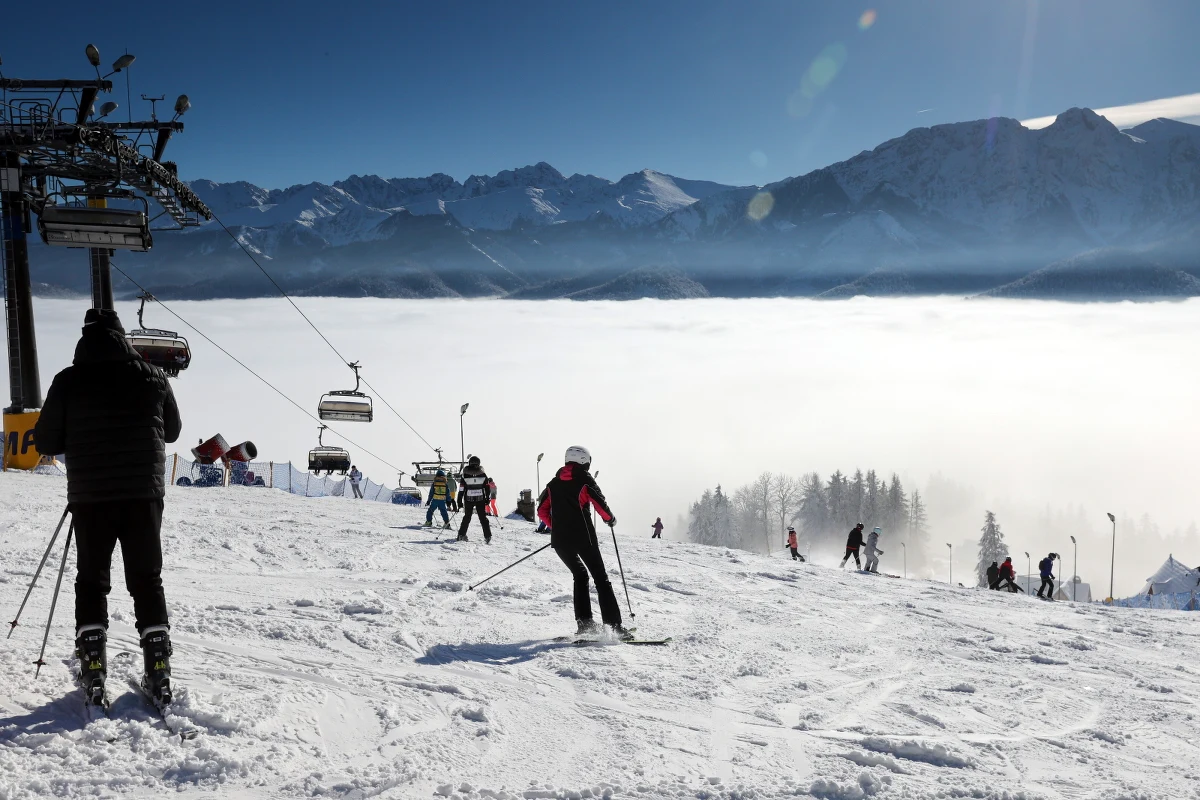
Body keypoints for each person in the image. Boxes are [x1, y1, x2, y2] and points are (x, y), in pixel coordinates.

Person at [33, 309, 182, 708]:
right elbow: (173, 431)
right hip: (144, 496)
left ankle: (94, 666)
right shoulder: (153, 376)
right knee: (147, 579)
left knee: (92, 580)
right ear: (123, 338)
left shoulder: (68, 380)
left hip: (92, 495)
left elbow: (45, 441)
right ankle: (159, 670)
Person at [537, 446, 630, 638]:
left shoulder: (552, 484)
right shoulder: (585, 481)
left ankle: (585, 624)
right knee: (600, 578)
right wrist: (610, 519)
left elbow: (541, 511)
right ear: (583, 461)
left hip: (561, 541)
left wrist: (557, 527)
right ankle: (614, 627)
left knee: (580, 575)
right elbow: (599, 503)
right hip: (583, 537)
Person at [457, 455, 492, 543]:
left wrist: (459, 501)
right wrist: (487, 498)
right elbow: (487, 487)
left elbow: (461, 489)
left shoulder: (465, 475)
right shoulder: (483, 474)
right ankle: (487, 536)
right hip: (480, 499)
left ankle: (461, 535)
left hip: (468, 499)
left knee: (467, 517)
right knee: (483, 518)